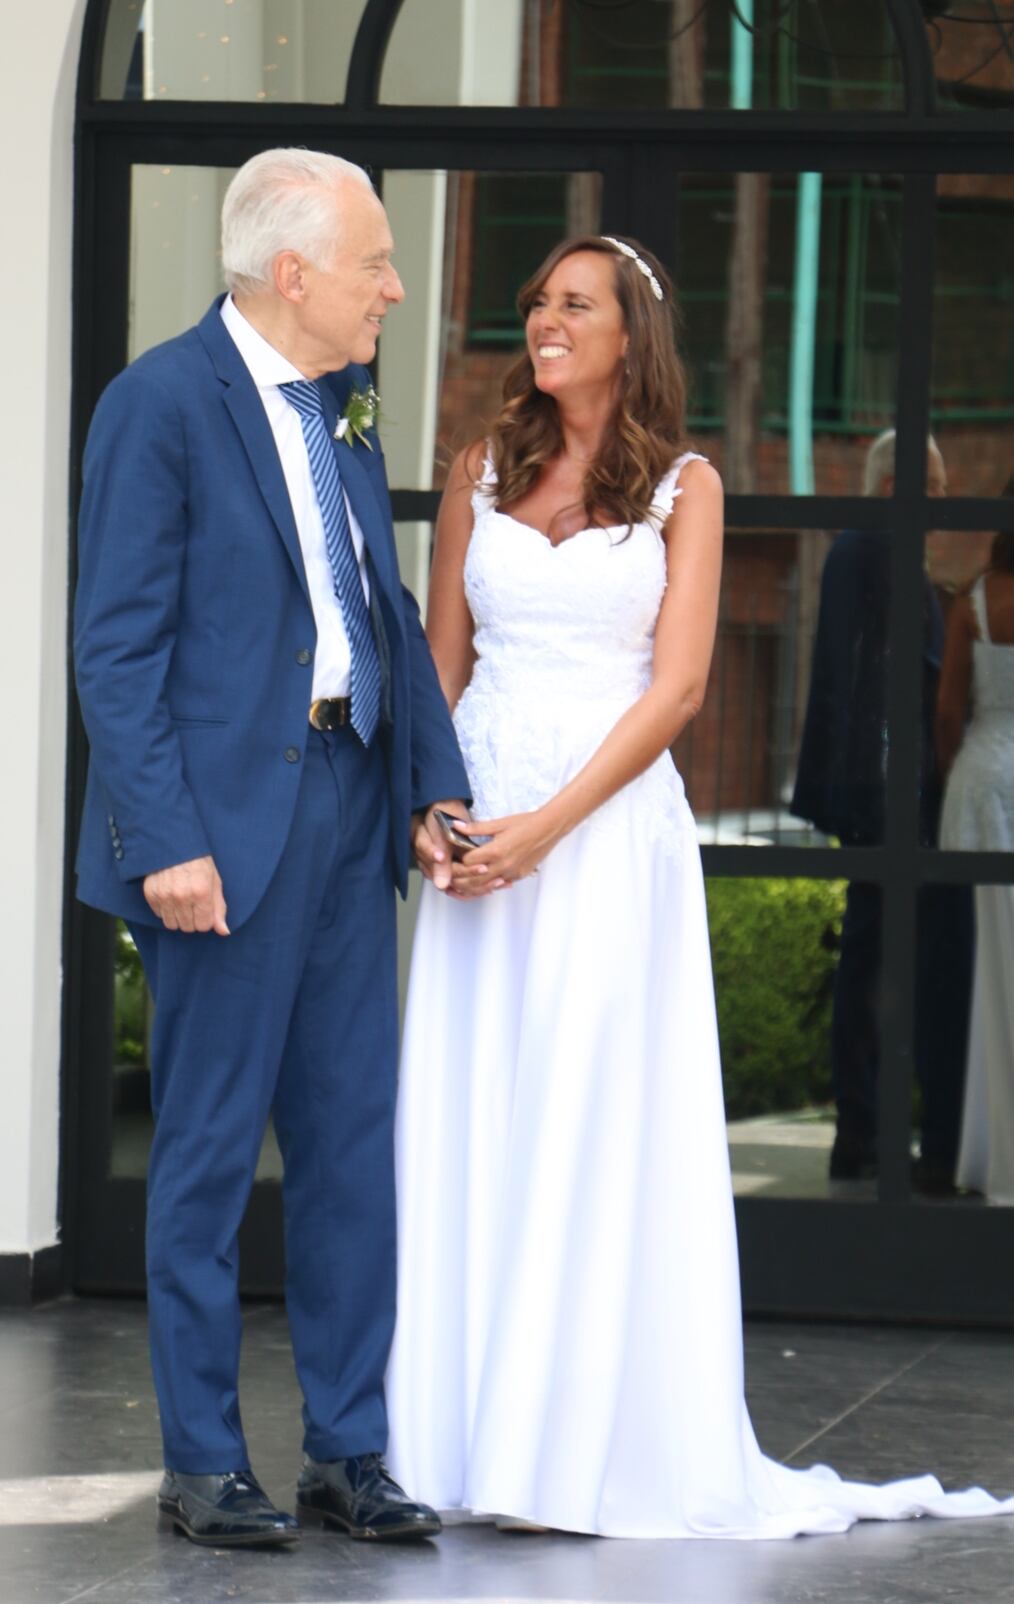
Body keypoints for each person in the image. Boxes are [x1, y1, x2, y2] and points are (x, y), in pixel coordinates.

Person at [384, 237, 1014, 1536]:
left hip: (601, 836)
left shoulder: (687, 486)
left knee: (582, 1118)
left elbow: (672, 692)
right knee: (478, 1114)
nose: (543, 321)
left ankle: (563, 1450)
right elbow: (437, 664)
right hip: (479, 832)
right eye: (537, 303)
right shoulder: (477, 471)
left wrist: (544, 830)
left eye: (573, 304)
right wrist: (430, 814)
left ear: (631, 335)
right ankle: (451, 1441)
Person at [74, 148, 471, 1548]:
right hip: (221, 845)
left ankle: (345, 1454)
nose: (395, 287)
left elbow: (384, 610)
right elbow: (115, 650)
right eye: (375, 261)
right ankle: (200, 1463)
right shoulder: (160, 404)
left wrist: (431, 784)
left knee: (351, 1152)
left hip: (350, 811)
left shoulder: (344, 412)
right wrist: (162, 838)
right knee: (202, 1160)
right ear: (291, 270)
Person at [791, 432, 973, 1191]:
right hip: (884, 794)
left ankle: (866, 1129)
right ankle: (868, 1129)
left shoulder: (862, 550)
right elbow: (891, 677)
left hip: (873, 789)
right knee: (881, 966)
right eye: (927, 482)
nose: (935, 498)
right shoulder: (876, 551)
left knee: (874, 961)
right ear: (891, 481)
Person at [938, 498, 1014, 1206]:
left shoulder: (974, 601)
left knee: (985, 972)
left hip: (983, 780)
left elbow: (948, 710)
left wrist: (951, 765)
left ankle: (988, 1154)